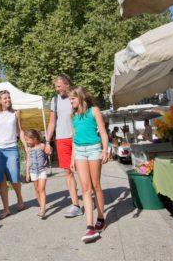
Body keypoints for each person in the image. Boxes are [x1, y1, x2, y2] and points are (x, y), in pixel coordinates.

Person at [68, 85, 109, 243]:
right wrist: (72, 158)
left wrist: (105, 150)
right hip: (79, 151)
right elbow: (74, 137)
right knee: (85, 187)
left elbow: (103, 132)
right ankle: (89, 226)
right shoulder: (73, 116)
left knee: (96, 185)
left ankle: (101, 217)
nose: (70, 101)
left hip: (94, 149)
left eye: (73, 98)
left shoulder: (94, 111)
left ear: (81, 97)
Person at [45, 74, 83, 218]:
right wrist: (47, 141)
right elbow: (52, 122)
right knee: (68, 172)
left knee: (83, 171)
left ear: (67, 84)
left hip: (77, 138)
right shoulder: (54, 100)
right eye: (56, 86)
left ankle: (89, 197)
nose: (57, 89)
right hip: (62, 139)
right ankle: (75, 205)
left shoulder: (77, 97)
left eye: (59, 86)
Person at [0, 90, 27, 219]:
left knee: (14, 178)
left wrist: (25, 145)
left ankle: (19, 197)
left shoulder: (16, 113)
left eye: (9, 98)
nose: (8, 100)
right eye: (5, 98)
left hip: (11, 148)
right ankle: (6, 209)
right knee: (1, 180)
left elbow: (19, 131)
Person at [24, 129, 49, 219]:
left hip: (42, 170)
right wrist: (27, 173)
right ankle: (41, 206)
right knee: (37, 189)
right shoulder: (29, 149)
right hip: (33, 172)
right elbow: (28, 160)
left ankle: (43, 209)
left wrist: (49, 150)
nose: (26, 141)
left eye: (27, 139)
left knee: (41, 189)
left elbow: (48, 151)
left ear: (34, 139)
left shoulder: (42, 146)